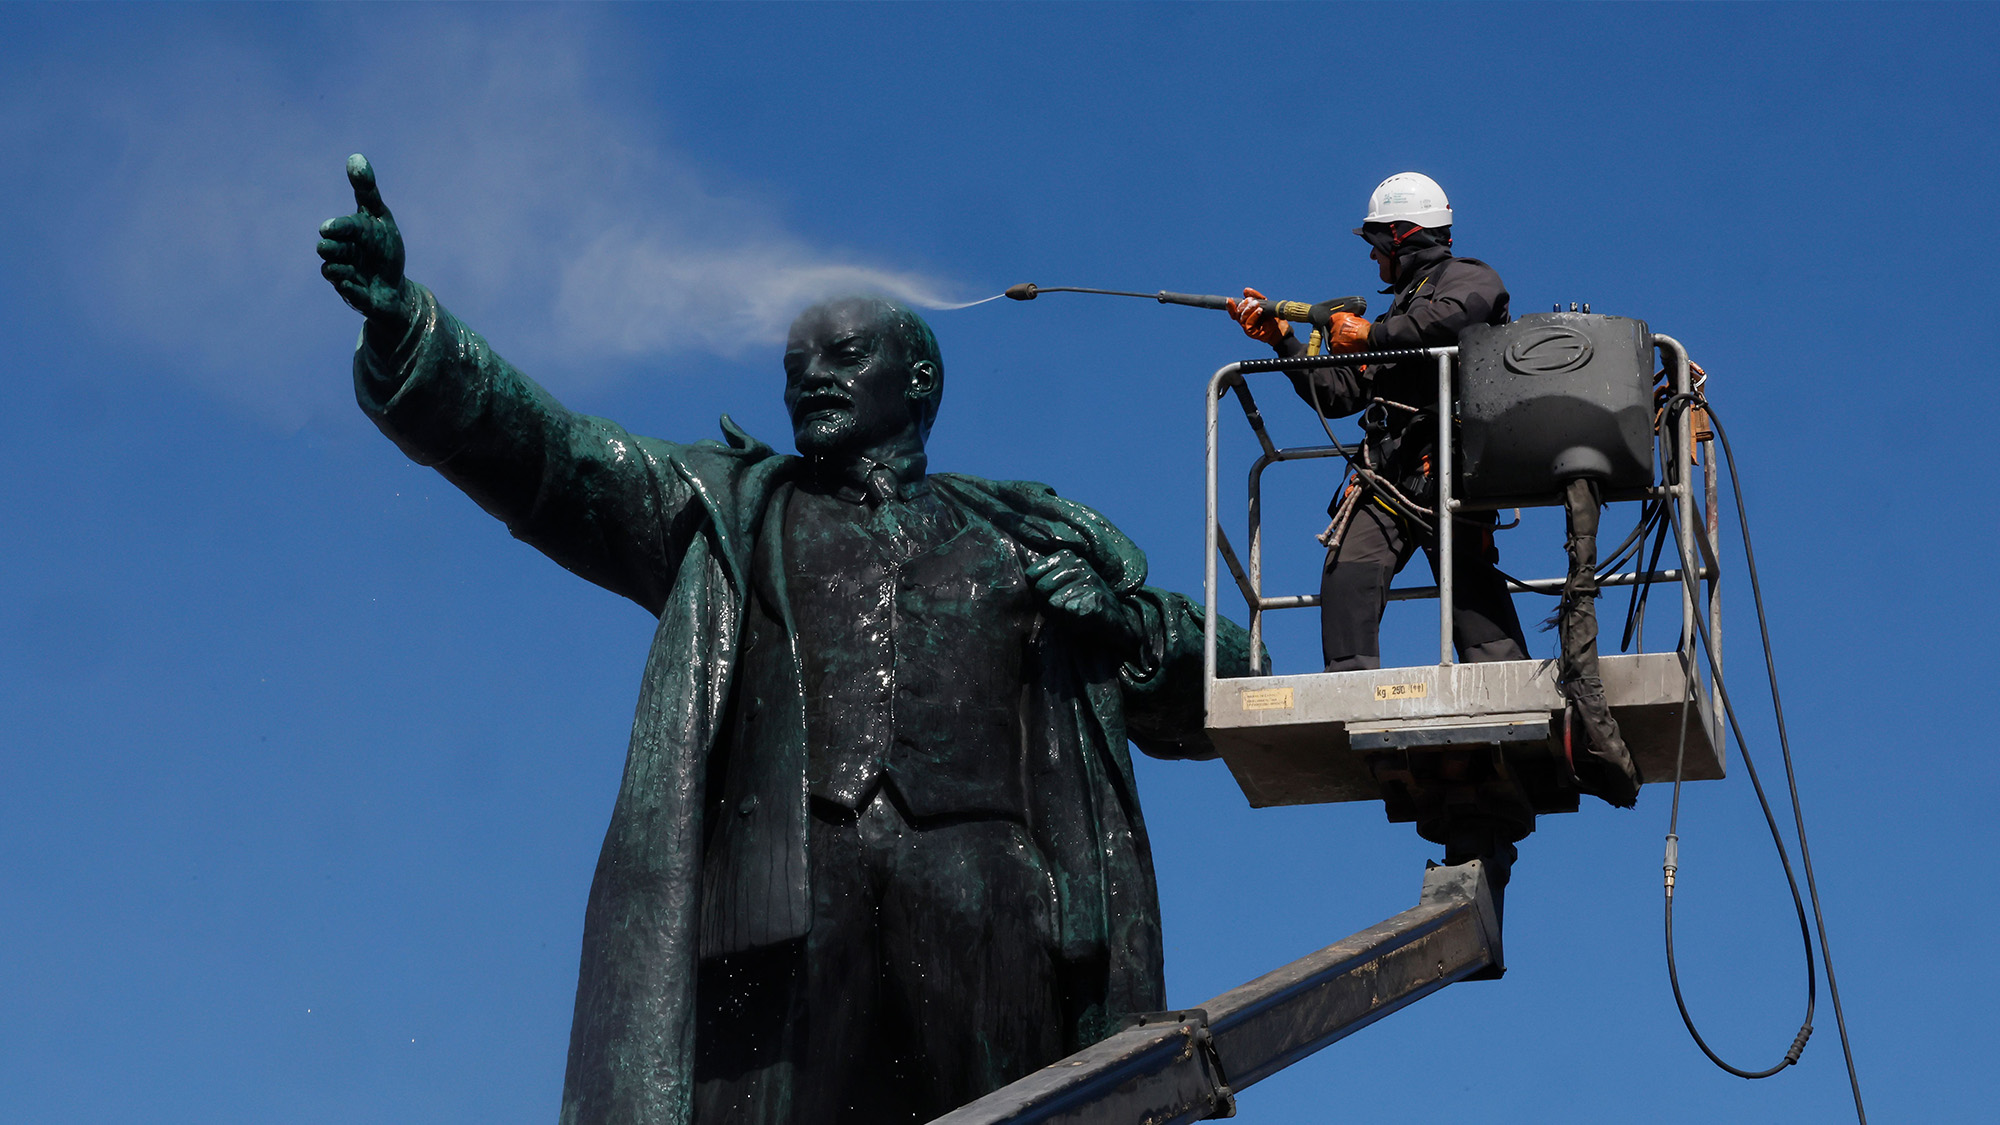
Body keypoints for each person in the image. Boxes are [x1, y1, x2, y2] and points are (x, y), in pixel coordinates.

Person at [316, 155, 1251, 1125]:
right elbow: (554, 455)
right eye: (795, 366)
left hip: (992, 902)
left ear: (918, 381)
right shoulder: (727, 510)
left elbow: (1227, 674)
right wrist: (403, 325)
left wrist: (1122, 628)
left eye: (843, 357)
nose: (811, 378)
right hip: (781, 906)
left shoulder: (1026, 535)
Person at [1226, 171, 1530, 674]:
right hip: (1388, 474)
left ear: (1402, 236)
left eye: (1375, 243)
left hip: (1451, 467)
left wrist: (1372, 334)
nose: (1371, 256)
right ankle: (1353, 692)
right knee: (1347, 573)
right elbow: (1342, 393)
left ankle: (1508, 690)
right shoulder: (1400, 308)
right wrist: (1284, 342)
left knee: (1472, 592)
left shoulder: (1469, 277)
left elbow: (1457, 318)